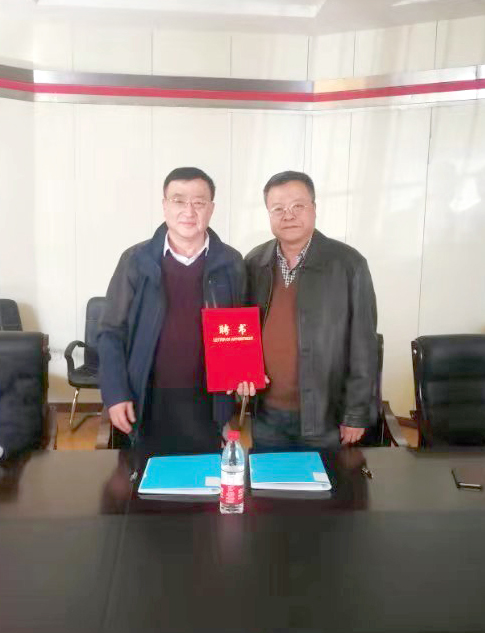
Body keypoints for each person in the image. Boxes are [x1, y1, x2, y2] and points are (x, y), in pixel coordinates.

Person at [97, 167, 245, 454]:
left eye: (199, 202)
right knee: (147, 474)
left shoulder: (231, 262)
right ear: (165, 206)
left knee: (206, 476)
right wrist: (115, 393)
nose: (189, 211)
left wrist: (241, 375)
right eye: (179, 201)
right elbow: (110, 332)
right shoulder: (136, 260)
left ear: (211, 209)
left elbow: (241, 329)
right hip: (147, 397)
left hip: (209, 401)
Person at [244, 170, 378, 449]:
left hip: (326, 416)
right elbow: (241, 332)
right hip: (266, 414)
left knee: (325, 478)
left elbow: (364, 346)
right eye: (278, 208)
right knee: (267, 477)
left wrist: (355, 413)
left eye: (298, 206)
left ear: (314, 209)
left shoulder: (348, 264)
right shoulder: (255, 262)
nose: (288, 215)